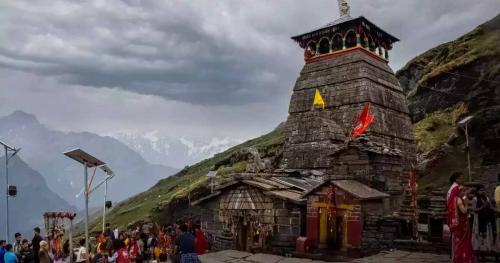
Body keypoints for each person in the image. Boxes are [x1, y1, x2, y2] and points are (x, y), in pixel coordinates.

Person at [450, 187, 475, 263]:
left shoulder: (457, 198)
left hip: (460, 223)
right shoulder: (459, 199)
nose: (464, 192)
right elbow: (464, 211)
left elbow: (466, 198)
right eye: (463, 191)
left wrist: (466, 199)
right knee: (462, 241)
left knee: (460, 240)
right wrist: (467, 204)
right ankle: (462, 258)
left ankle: (460, 256)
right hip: (461, 223)